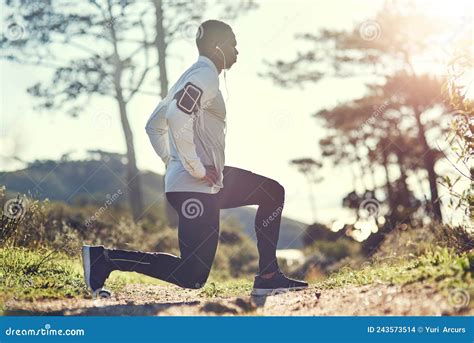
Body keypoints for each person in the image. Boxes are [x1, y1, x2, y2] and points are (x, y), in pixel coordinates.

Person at [82, 19, 308, 298]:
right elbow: (177, 116)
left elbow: (154, 125)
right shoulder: (205, 75)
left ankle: (269, 275)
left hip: (201, 183)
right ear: (217, 46)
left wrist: (175, 163)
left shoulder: (190, 75)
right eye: (232, 44)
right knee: (192, 276)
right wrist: (195, 167)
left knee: (271, 192)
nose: (237, 50)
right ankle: (105, 259)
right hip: (196, 187)